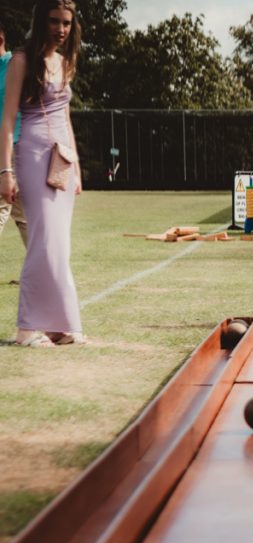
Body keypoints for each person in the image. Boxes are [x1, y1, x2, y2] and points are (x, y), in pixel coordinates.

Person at [0, 0, 85, 347]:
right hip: (31, 154)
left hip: (61, 158)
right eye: (53, 21)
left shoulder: (65, 62)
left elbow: (66, 119)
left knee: (58, 244)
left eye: (66, 22)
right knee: (43, 241)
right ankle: (26, 329)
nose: (60, 29)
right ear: (41, 20)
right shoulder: (21, 60)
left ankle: (57, 325)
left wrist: (76, 167)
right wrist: (6, 171)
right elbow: (6, 121)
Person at [0, 20, 28, 249]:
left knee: (2, 206)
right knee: (23, 215)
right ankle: (42, 270)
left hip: (14, 145)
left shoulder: (14, 65)